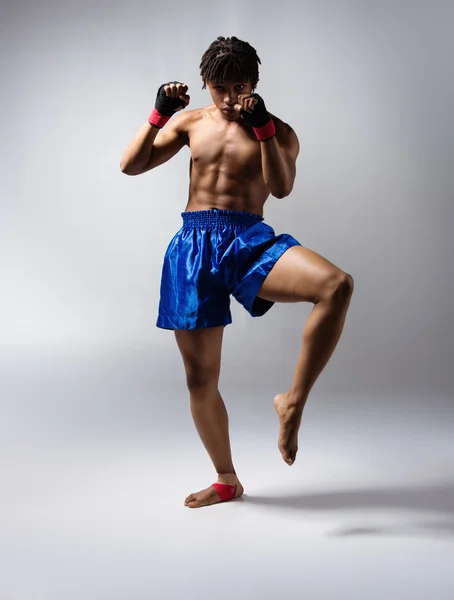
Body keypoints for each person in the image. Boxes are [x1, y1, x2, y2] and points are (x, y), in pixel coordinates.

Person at [120, 36, 354, 509]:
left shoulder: (278, 130)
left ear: (255, 84)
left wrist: (263, 127)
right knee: (200, 379)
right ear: (206, 83)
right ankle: (227, 479)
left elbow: (282, 189)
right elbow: (131, 165)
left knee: (335, 285)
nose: (229, 99)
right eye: (220, 88)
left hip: (247, 240)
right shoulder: (190, 122)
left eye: (239, 86)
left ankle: (292, 401)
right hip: (192, 247)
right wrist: (158, 113)